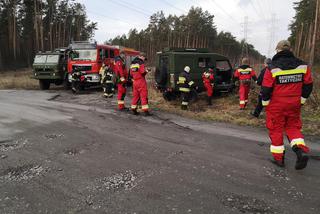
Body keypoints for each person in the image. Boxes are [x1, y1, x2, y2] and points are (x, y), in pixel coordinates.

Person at [261, 40, 313, 170]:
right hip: (294, 103)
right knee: (293, 127)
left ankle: (279, 160)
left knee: (276, 129)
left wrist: (265, 104)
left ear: (278, 51)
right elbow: (308, 85)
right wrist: (301, 100)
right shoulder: (303, 66)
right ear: (290, 50)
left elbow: (266, 89)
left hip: (276, 105)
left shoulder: (272, 67)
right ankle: (301, 151)